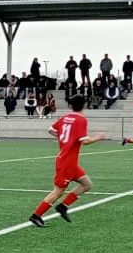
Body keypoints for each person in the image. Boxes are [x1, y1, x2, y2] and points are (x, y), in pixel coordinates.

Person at [29, 95, 106, 227]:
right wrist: (98, 137)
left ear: (71, 105)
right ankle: (36, 215)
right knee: (58, 191)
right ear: (84, 105)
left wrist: (65, 139)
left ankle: (63, 207)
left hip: (70, 162)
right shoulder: (81, 120)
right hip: (66, 162)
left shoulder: (65, 118)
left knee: (87, 185)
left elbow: (50, 130)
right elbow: (85, 141)